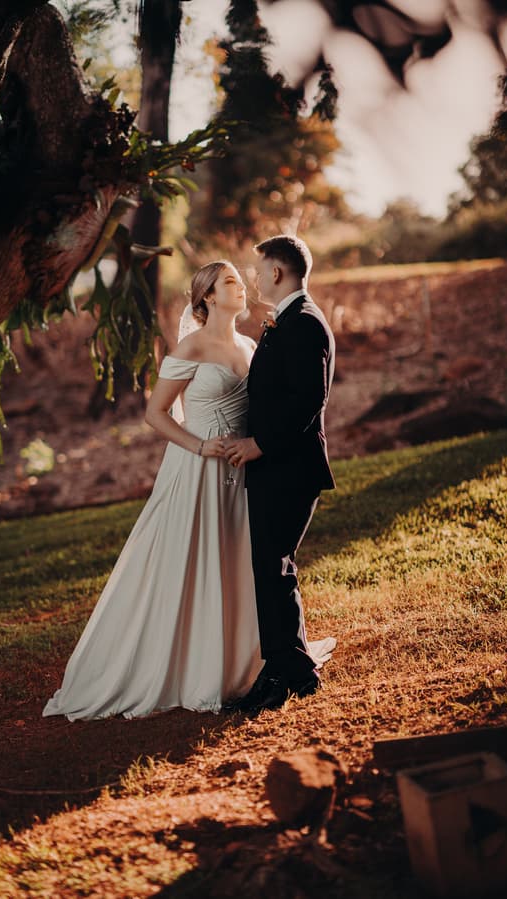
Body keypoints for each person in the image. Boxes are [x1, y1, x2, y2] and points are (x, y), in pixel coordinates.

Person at [43, 261, 264, 719]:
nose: (241, 287)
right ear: (206, 296)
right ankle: (175, 665)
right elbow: (156, 414)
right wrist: (202, 446)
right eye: (230, 282)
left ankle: (235, 663)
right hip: (197, 469)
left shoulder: (249, 344)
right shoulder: (192, 346)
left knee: (233, 560)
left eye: (241, 282)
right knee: (187, 561)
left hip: (241, 473)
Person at [224, 235, 336, 714]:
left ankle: (283, 674)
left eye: (258, 268)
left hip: (289, 467)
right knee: (271, 568)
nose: (253, 277)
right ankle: (292, 669)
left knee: (273, 567)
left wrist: (259, 444)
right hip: (277, 468)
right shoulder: (285, 320)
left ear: (276, 272)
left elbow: (308, 401)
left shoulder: (305, 323)